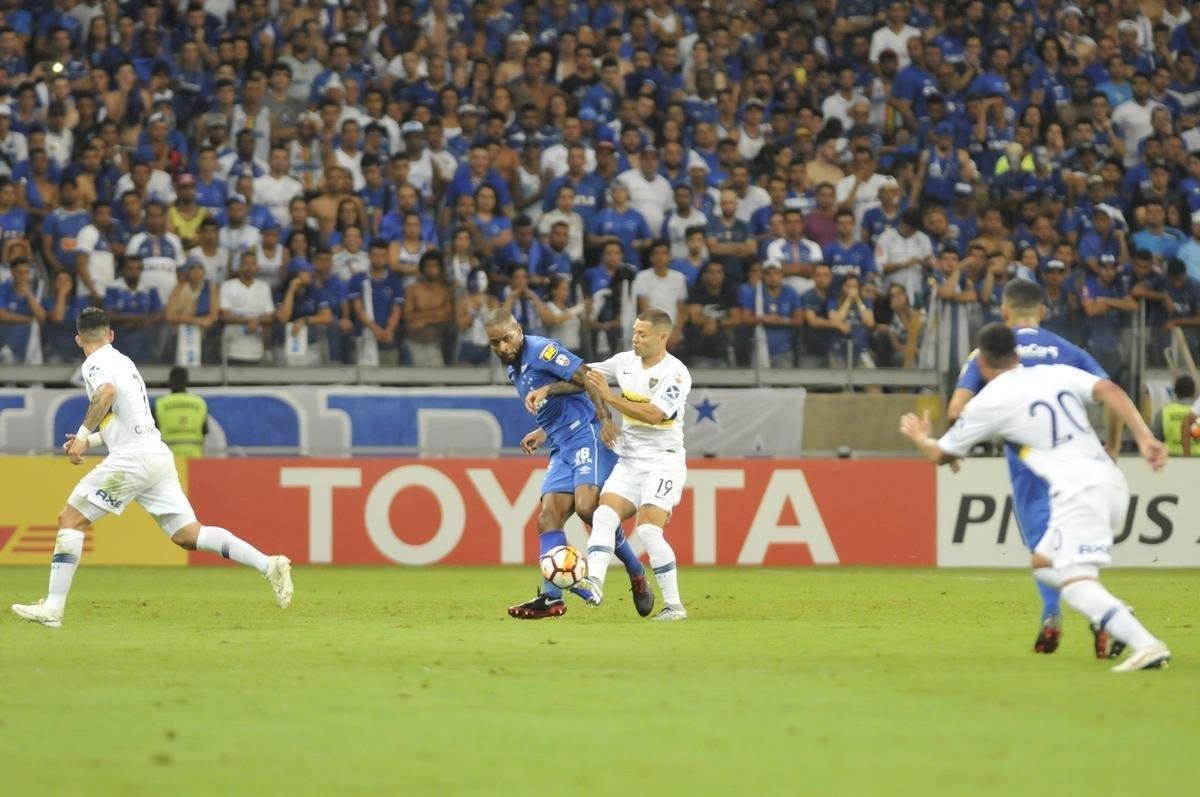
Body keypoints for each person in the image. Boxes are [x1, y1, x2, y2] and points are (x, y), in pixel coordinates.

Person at [901, 323, 1170, 672]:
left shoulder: (989, 401)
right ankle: (1108, 610)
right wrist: (1145, 437)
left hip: (1079, 491)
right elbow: (1109, 388)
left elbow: (941, 454)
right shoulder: (1055, 372)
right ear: (1016, 354)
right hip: (1109, 480)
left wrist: (920, 438)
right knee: (1043, 564)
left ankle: (1144, 643)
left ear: (981, 362)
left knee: (1076, 586)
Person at [11, 308, 292, 628]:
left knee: (70, 519)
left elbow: (106, 393)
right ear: (111, 335)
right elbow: (125, 417)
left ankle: (53, 608)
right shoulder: (125, 362)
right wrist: (90, 441)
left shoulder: (93, 363)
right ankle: (268, 564)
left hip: (132, 459)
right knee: (189, 534)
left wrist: (83, 435)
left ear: (78, 340)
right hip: (156, 455)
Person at [947, 279, 1123, 656]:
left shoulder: (990, 351)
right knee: (1074, 545)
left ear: (1004, 312)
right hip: (1075, 460)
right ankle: (1101, 615)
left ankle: (1055, 614)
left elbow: (956, 409)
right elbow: (1112, 395)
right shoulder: (1068, 349)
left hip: (1028, 463)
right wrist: (1113, 445)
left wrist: (958, 446)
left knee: (1042, 545)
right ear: (1043, 311)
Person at [482, 310, 652, 620]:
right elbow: (558, 406)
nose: (502, 347)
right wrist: (543, 431)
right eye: (495, 343)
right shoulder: (513, 367)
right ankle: (551, 598)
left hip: (586, 434)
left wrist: (604, 419)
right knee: (548, 518)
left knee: (588, 509)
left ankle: (636, 570)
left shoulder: (542, 351)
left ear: (518, 330)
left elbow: (587, 377)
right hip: (560, 445)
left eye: (507, 338)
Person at [529, 310, 692, 621]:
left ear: (663, 337)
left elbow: (655, 415)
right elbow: (582, 377)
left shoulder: (676, 373)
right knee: (603, 515)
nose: (635, 338)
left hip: (663, 461)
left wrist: (609, 397)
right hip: (629, 460)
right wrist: (547, 389)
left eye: (642, 334)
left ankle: (674, 606)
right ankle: (594, 584)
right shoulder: (624, 362)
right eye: (634, 331)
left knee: (648, 530)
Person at [153, 366, 208, 458]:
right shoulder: (200, 403)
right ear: (187, 381)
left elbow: (151, 434)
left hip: (168, 459)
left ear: (169, 382)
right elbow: (204, 432)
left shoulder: (159, 404)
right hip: (194, 459)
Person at [1153, 375, 1196, 456]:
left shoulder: (1163, 412)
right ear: (1194, 391)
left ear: (1175, 392)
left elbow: (1155, 442)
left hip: (1171, 460)